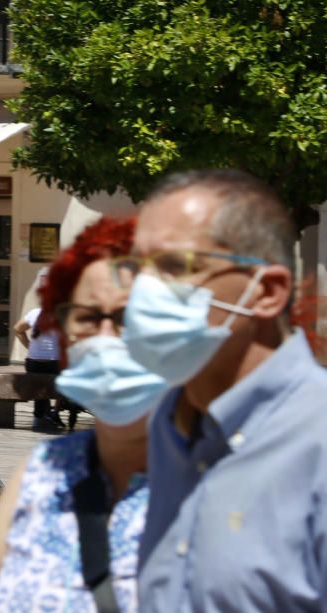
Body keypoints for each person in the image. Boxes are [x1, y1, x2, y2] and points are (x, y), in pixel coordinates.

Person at [121, 170, 327, 611]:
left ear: (267, 293)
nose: (142, 292)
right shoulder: (170, 423)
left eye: (176, 267)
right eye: (136, 268)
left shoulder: (316, 441)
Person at [0, 218, 168, 612]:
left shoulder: (224, 483)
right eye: (87, 317)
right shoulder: (42, 473)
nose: (106, 337)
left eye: (128, 318)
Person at [13, 268, 65, 430]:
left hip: (33, 364)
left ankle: (40, 413)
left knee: (40, 378)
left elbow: (17, 329)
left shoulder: (34, 313)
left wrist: (28, 346)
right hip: (53, 364)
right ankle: (54, 412)